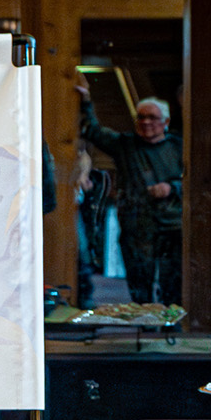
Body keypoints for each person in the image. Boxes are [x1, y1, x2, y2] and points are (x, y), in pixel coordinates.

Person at [74, 80, 182, 306]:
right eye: (141, 117)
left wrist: (172, 187)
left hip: (172, 226)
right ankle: (143, 321)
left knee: (173, 283)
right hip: (136, 226)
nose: (146, 122)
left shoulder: (179, 147)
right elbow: (93, 131)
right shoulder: (124, 145)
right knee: (139, 281)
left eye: (152, 117)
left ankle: (170, 322)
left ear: (165, 122)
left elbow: (196, 180)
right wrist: (86, 100)